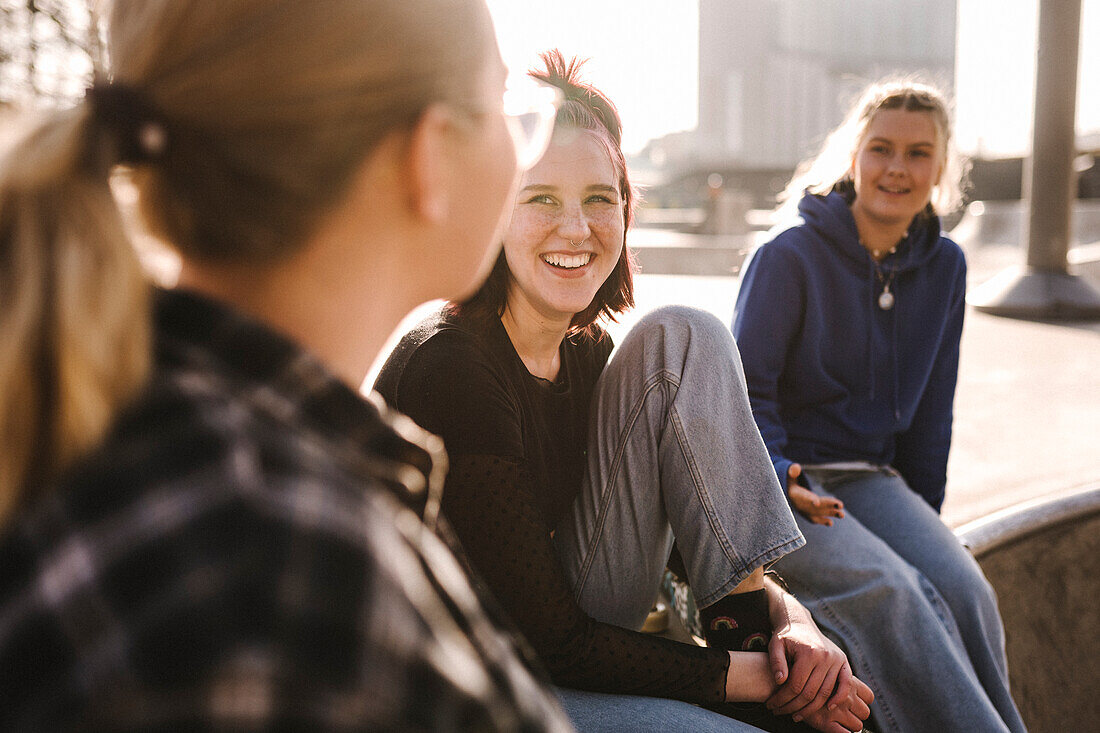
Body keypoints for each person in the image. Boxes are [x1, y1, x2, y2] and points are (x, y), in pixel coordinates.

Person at [0, 0, 575, 729]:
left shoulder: (114, 415)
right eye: (504, 105)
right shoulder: (279, 569)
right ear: (428, 157)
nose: (523, 141)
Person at [376, 51, 873, 733]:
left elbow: (682, 527)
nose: (576, 228)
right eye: (540, 197)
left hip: (559, 648)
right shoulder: (454, 364)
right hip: (458, 683)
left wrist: (797, 626)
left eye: (599, 198)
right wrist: (755, 682)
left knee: (682, 333)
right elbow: (550, 642)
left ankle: (755, 641)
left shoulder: (588, 353)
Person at [732, 79, 1026, 733]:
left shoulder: (945, 265)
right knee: (896, 593)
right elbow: (743, 393)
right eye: (881, 148)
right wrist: (782, 475)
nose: (898, 168)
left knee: (965, 589)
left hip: (871, 479)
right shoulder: (788, 256)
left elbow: (931, 412)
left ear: (941, 168)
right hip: (785, 481)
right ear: (852, 155)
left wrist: (926, 518)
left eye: (919, 153)